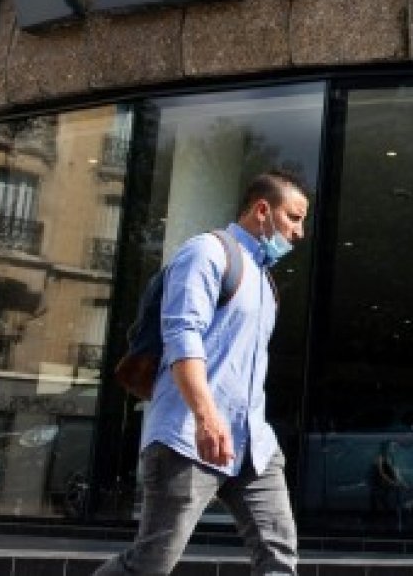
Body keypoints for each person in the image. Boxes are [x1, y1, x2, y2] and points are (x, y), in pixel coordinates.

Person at [93, 170, 309, 575]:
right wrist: (206, 417)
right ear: (263, 210)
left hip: (253, 445)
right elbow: (182, 336)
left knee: (279, 558)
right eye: (294, 218)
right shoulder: (207, 253)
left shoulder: (265, 281)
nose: (299, 232)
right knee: (151, 564)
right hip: (188, 438)